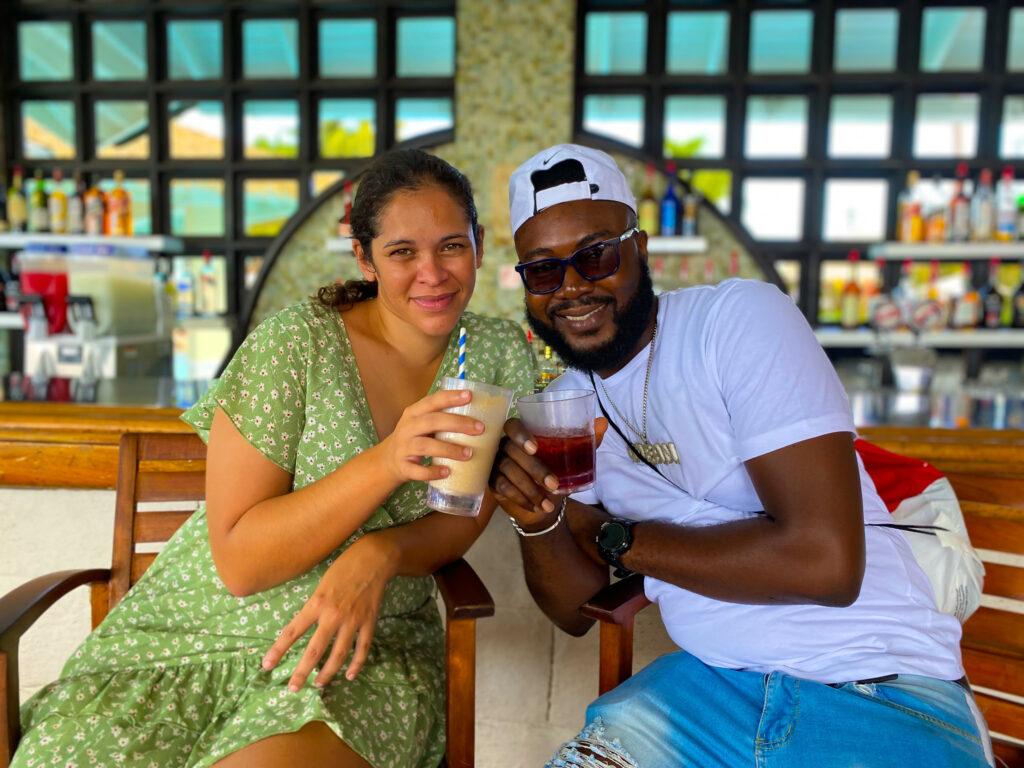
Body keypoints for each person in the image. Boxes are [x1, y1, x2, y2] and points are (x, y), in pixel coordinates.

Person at [12, 149, 535, 768]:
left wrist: (382, 551)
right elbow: (239, 564)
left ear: (478, 243)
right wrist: (388, 460)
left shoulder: (497, 353)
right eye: (402, 252)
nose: (433, 273)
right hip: (191, 639)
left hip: (359, 648)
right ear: (364, 258)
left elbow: (460, 514)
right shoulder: (298, 344)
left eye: (451, 246)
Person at [488, 144, 994, 768]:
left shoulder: (737, 323)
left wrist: (611, 536)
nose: (571, 286)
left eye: (595, 255)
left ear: (639, 250)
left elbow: (827, 567)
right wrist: (538, 517)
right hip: (708, 696)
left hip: (875, 689)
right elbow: (572, 609)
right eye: (542, 270)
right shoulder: (564, 406)